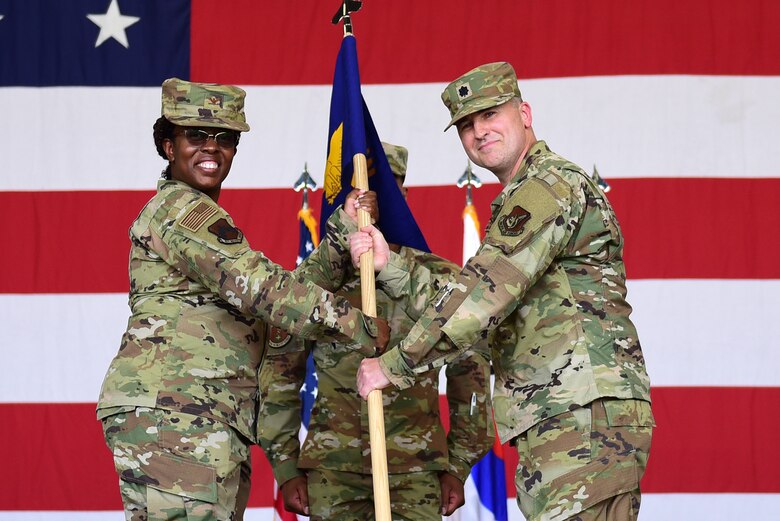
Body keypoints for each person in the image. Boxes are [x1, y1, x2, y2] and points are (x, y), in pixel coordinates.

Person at [353, 62, 654, 521]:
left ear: (525, 113)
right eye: (467, 125)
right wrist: (388, 266)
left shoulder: (546, 186)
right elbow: (480, 292)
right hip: (564, 414)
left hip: (582, 416)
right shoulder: (525, 194)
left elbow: (481, 297)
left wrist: (393, 366)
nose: (479, 132)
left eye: (490, 114)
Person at [96, 78, 388, 521]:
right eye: (195, 135)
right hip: (179, 412)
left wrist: (341, 233)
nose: (211, 148)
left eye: (225, 138)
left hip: (202, 412)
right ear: (167, 145)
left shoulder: (203, 218)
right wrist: (356, 325)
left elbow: (266, 302)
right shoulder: (181, 210)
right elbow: (260, 288)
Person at [258, 142, 495, 521]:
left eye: (384, 187)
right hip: (333, 471)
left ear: (403, 192)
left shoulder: (440, 278)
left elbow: (472, 377)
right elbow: (281, 372)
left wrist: (458, 465)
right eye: (360, 191)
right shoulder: (318, 283)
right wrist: (285, 466)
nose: (372, 200)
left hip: (417, 469)